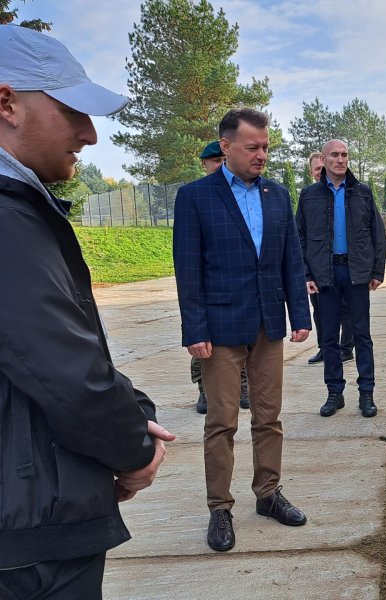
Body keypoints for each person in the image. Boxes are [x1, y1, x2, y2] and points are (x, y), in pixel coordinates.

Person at [0, 26, 174, 598]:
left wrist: (131, 409)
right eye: (72, 110)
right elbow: (65, 372)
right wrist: (134, 446)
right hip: (28, 543)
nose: (90, 134)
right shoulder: (6, 219)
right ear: (7, 103)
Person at [173, 108, 311, 553]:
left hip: (268, 325)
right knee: (222, 422)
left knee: (269, 417)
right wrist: (194, 329)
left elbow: (291, 259)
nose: (261, 155)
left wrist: (300, 314)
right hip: (219, 329)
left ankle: (268, 494)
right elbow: (188, 270)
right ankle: (220, 507)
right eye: (253, 147)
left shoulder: (277, 195)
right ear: (226, 146)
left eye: (265, 147)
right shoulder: (195, 197)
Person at [296, 139, 386, 418]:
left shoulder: (362, 192)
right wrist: (306, 274)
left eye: (344, 154)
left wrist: (377, 271)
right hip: (324, 274)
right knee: (328, 337)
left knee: (362, 335)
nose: (340, 159)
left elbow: (377, 233)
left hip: (356, 273)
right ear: (323, 160)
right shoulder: (309, 195)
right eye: (334, 155)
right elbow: (299, 237)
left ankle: (366, 393)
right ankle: (334, 392)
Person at [191, 140, 250, 413]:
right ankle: (205, 390)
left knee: (243, 339)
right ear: (205, 164)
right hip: (207, 287)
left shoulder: (242, 195)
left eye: (223, 160)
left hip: (239, 285)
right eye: (214, 161)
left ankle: (243, 386)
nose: (219, 165)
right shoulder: (196, 197)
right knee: (204, 342)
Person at [304, 151, 355, 366]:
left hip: (342, 264)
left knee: (346, 309)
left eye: (323, 168)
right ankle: (325, 348)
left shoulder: (347, 194)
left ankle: (345, 348)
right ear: (312, 172)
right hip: (318, 267)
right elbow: (302, 234)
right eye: (317, 169)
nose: (321, 172)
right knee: (319, 310)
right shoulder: (308, 197)